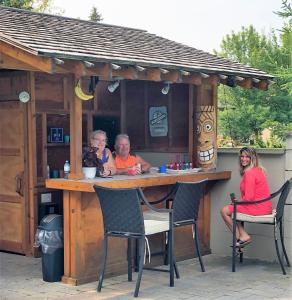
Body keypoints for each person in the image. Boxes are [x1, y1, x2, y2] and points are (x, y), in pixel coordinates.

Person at [220, 147, 272, 248]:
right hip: (264, 206)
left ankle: (241, 238)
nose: (244, 159)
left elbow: (249, 197)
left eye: (247, 157)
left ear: (253, 158)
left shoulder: (250, 173)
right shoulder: (258, 170)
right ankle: (241, 239)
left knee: (224, 211)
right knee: (234, 209)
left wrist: (236, 203)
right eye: (242, 156)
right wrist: (237, 203)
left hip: (257, 207)